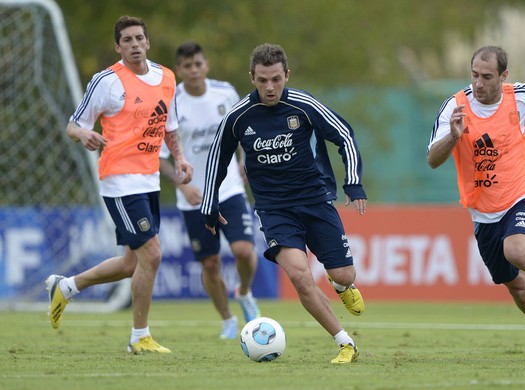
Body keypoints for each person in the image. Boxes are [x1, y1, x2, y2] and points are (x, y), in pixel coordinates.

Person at [201, 43, 366, 364]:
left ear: (286, 75)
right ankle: (345, 343)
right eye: (262, 80)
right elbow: (216, 160)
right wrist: (210, 203)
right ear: (252, 78)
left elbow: (344, 135)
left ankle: (339, 284)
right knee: (301, 277)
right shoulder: (238, 117)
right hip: (274, 210)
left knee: (345, 274)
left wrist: (354, 181)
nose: (270, 86)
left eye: (276, 78)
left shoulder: (303, 106)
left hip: (316, 202)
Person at [427, 45, 525, 361]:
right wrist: (453, 137)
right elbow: (433, 160)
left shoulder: (522, 97)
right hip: (482, 210)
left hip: (523, 192)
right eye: (474, 75)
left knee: (516, 250)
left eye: (487, 77)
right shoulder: (454, 107)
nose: (479, 83)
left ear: (503, 76)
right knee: (514, 284)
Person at [45, 15, 193, 354]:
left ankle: (66, 287)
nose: (135, 44)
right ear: (118, 47)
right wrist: (84, 134)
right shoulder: (107, 81)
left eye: (139, 38)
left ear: (148, 42)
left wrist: (180, 158)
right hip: (119, 181)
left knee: (132, 263)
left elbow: (169, 128)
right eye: (127, 40)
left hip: (149, 180)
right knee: (152, 255)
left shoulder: (167, 78)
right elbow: (73, 124)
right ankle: (139, 337)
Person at [159, 42, 260, 339]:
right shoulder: (171, 101)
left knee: (244, 250)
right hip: (194, 197)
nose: (193, 70)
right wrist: (183, 185)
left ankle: (243, 291)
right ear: (179, 70)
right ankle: (228, 319)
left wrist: (244, 158)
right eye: (187, 66)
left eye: (198, 64)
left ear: (206, 65)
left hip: (227, 188)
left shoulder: (225, 92)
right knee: (210, 263)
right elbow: (160, 157)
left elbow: (241, 128)